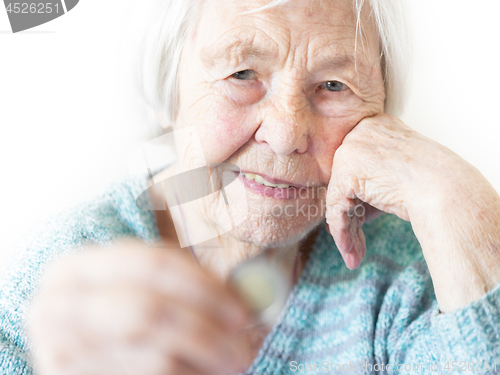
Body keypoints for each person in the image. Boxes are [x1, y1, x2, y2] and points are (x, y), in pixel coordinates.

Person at [1, 0, 500, 374]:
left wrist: (460, 205)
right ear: (167, 87)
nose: (285, 135)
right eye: (242, 74)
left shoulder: (405, 272)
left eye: (333, 86)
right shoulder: (60, 279)